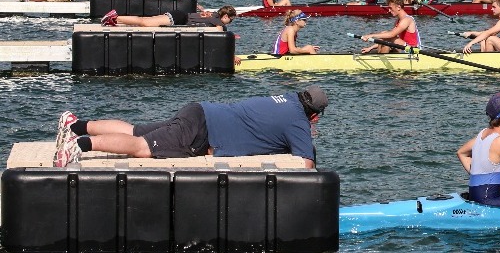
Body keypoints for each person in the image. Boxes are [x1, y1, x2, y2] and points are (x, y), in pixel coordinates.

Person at [52, 86, 327, 169]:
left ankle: (75, 125)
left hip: (201, 111)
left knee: (136, 130)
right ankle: (77, 145)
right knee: (141, 148)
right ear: (314, 115)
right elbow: (306, 165)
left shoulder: (286, 99)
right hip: (202, 131)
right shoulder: (298, 121)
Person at [102, 4, 235, 29]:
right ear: (225, 16)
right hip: (179, 18)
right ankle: (115, 17)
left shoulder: (214, 15)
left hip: (180, 15)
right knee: (145, 22)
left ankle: (114, 19)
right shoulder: (219, 21)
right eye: (230, 19)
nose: (230, 22)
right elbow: (219, 32)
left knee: (146, 21)